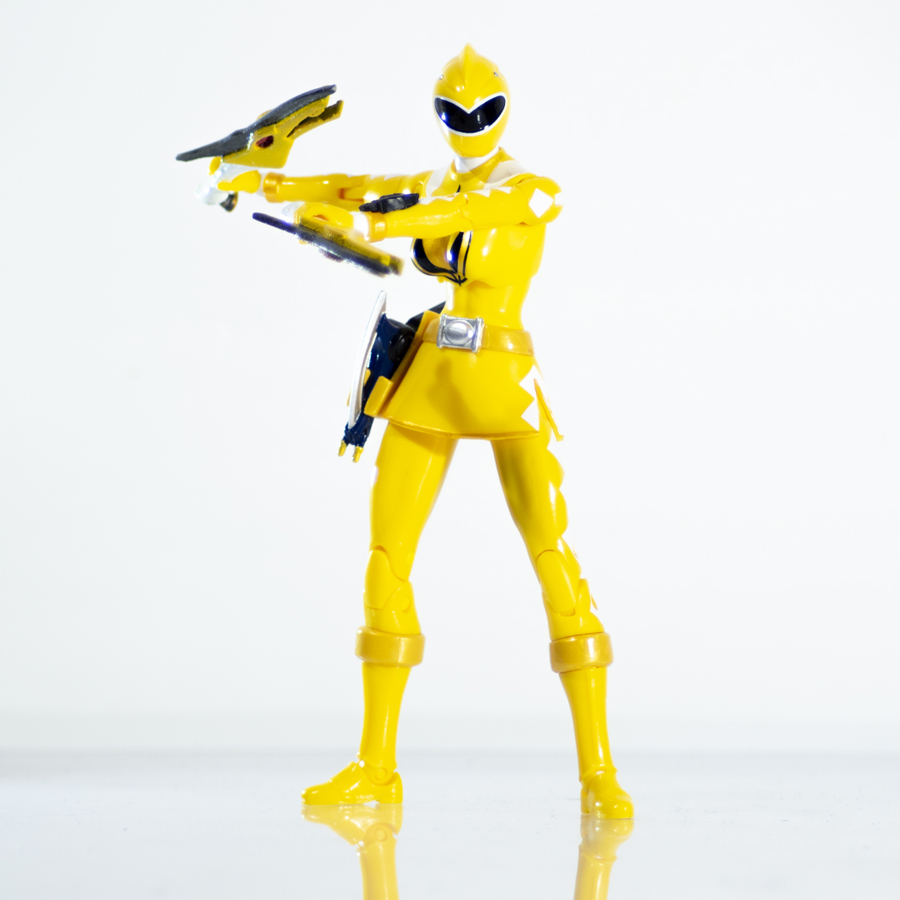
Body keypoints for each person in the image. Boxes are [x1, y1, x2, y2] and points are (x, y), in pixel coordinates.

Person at [221, 45, 632, 818]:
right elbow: (358, 183)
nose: (470, 122)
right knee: (386, 557)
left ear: (504, 111)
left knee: (554, 562)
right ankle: (375, 766)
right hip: (433, 376)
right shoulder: (435, 179)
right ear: (439, 114)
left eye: (484, 110)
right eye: (455, 111)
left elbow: (449, 215)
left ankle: (599, 774)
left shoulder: (529, 189)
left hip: (503, 381)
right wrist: (263, 182)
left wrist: (361, 220)